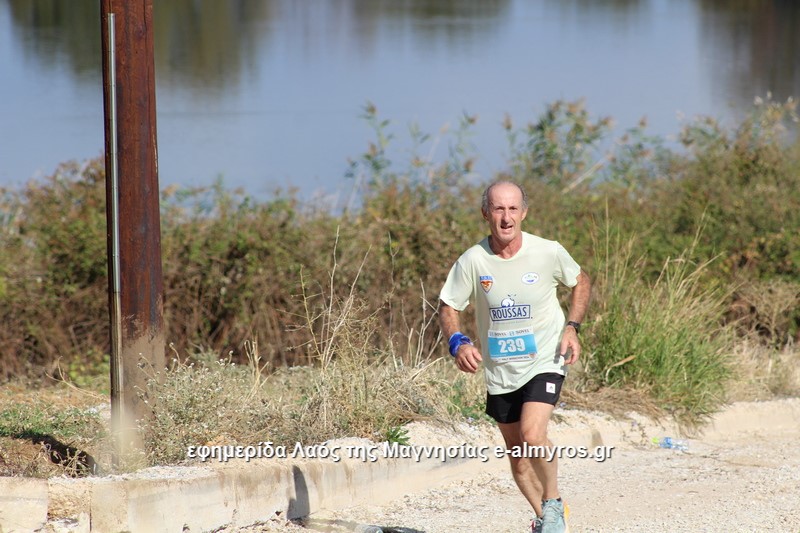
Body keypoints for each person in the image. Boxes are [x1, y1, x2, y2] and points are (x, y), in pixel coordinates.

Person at [438, 180, 591, 533]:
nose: (506, 218)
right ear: (485, 214)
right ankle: (545, 517)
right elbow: (448, 305)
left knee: (533, 434)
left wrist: (572, 327)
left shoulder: (547, 251)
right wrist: (458, 342)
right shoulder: (473, 260)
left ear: (524, 213)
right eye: (498, 209)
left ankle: (553, 504)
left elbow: (580, 280)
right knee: (519, 457)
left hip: (545, 359)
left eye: (512, 209)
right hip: (501, 371)